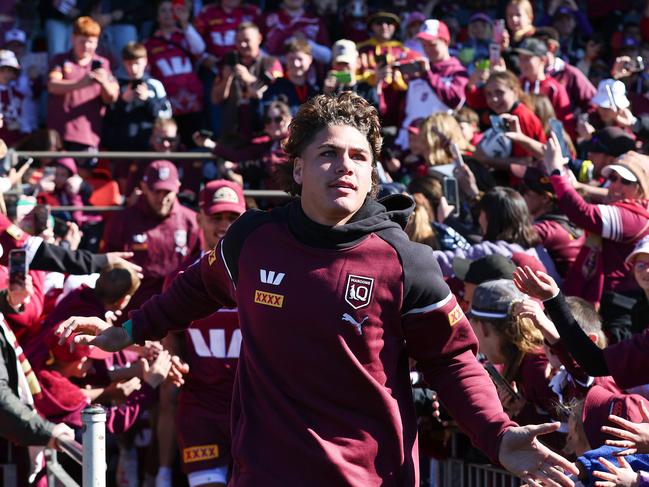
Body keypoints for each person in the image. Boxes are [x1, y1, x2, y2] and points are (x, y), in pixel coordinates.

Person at [59, 92, 577, 486]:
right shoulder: (252, 239)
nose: (344, 167)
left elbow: (453, 361)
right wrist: (125, 330)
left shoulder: (407, 261)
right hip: (264, 474)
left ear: (372, 171)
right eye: (328, 153)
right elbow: (192, 289)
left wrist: (498, 434)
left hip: (370, 477)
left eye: (357, 156)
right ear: (298, 165)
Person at [159, 180, 245, 487]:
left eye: (232, 218)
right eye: (216, 217)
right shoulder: (180, 279)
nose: (223, 226)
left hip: (254, 411)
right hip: (202, 412)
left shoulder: (264, 276)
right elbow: (172, 352)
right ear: (199, 218)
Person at [542, 136, 649, 342]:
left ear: (642, 189)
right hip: (606, 301)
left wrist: (555, 172)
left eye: (625, 181)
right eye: (613, 178)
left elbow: (581, 213)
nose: (615, 186)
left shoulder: (635, 218)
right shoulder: (630, 207)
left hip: (617, 308)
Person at [100, 160, 200, 317]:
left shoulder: (193, 222)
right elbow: (108, 267)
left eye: (167, 192)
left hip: (180, 310)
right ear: (144, 187)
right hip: (134, 311)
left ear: (178, 188)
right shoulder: (122, 221)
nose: (162, 198)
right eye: (156, 191)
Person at [46, 16, 119, 153]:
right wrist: (81, 83)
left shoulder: (103, 64)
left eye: (90, 42)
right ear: (73, 39)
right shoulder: (60, 60)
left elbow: (111, 97)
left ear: (97, 43)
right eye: (82, 41)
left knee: (85, 174)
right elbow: (52, 86)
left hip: (87, 135)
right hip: (58, 135)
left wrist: (104, 83)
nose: (86, 46)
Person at [145, 0, 205, 147]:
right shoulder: (149, 43)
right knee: (172, 141)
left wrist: (185, 24)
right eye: (163, 11)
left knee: (194, 141)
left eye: (171, 10)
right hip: (170, 103)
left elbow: (200, 49)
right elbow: (146, 73)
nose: (167, 14)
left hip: (193, 101)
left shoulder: (185, 36)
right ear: (157, 16)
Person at [102, 41, 172, 152]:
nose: (133, 68)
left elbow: (165, 118)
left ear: (145, 61)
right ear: (124, 63)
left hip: (150, 148)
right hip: (122, 148)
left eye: (137, 63)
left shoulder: (154, 85)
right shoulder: (117, 85)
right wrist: (123, 101)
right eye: (129, 63)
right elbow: (109, 119)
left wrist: (147, 99)